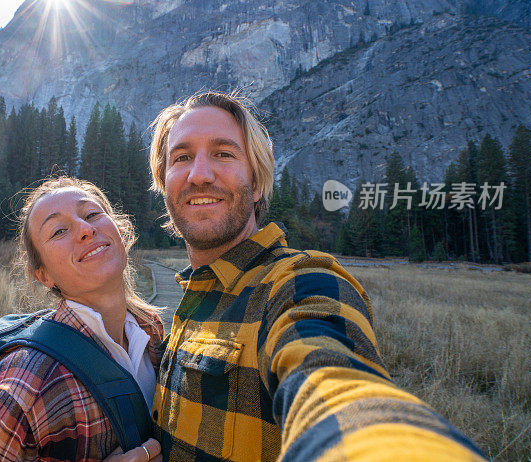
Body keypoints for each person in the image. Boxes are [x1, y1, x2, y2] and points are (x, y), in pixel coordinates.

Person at [130, 91, 486, 461]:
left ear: (256, 184)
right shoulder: (191, 300)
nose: (199, 174)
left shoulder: (301, 282)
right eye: (182, 157)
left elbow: (333, 382)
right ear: (165, 182)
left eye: (223, 153)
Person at [0, 177, 163, 462]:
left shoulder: (154, 332)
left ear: (120, 233)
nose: (86, 229)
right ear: (43, 275)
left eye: (92, 214)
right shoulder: (24, 387)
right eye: (59, 230)